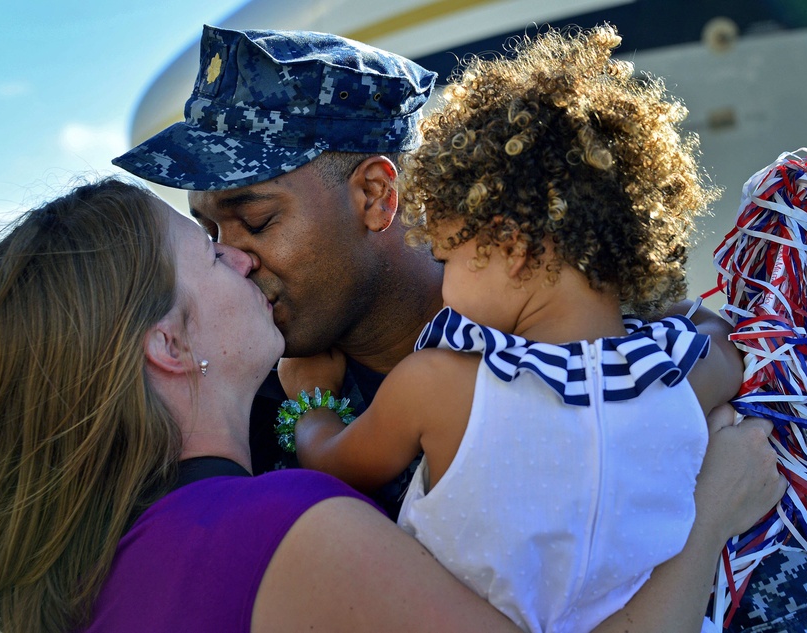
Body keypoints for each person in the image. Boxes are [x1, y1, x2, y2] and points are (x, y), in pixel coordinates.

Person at [113, 25, 807, 632]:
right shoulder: (237, 412)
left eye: (258, 219)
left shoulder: (628, 341)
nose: (232, 258)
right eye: (210, 232)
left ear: (374, 194)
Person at [0, 178, 781, 633]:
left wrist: (310, 416)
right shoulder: (283, 530)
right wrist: (710, 514)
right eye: (209, 256)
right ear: (170, 348)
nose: (242, 260)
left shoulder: (107, 554)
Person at [273, 26, 743, 633]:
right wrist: (654, 314)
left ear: (511, 247)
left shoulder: (438, 385)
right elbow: (722, 340)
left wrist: (309, 402)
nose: (443, 284)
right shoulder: (682, 377)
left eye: (448, 257)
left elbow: (336, 465)